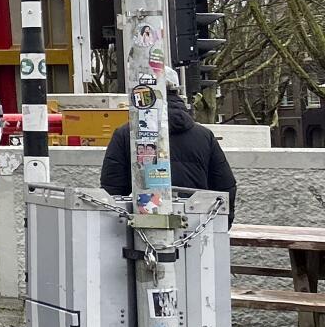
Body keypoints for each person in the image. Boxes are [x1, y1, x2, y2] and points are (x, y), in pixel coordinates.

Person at [100, 68, 239, 224]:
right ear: (177, 92)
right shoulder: (204, 136)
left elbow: (112, 193)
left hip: (142, 227)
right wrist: (221, 224)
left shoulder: (126, 135)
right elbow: (225, 187)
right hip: (195, 225)